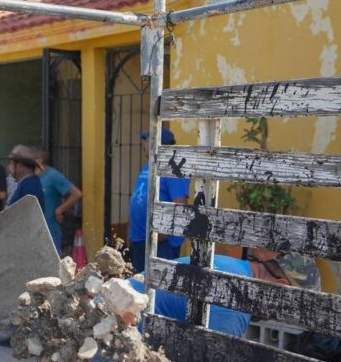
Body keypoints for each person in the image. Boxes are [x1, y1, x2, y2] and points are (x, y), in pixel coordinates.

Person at [129, 250, 316, 337]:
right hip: (121, 333)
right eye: (288, 306)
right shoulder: (236, 300)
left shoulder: (234, 266)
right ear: (281, 286)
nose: (276, 317)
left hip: (119, 306)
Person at [128, 128, 189, 272]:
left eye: (145, 140)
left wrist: (163, 233)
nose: (143, 144)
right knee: (140, 287)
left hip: (162, 244)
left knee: (158, 288)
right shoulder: (148, 166)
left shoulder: (173, 167)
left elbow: (180, 206)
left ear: (157, 143)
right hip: (140, 240)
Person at [34, 148, 82, 255]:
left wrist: (59, 210)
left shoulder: (53, 176)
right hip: (34, 232)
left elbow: (76, 194)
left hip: (50, 231)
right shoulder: (32, 177)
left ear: (39, 160)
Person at [6, 145, 46, 211]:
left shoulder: (30, 186)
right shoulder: (28, 183)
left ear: (20, 165)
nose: (9, 166)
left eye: (11, 163)